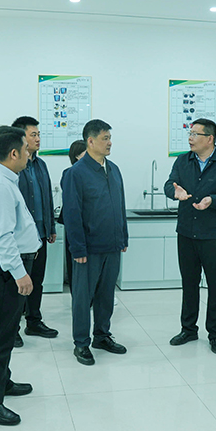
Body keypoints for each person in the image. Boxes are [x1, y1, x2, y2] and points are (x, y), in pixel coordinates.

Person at [0, 126, 39, 426]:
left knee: (5, 329)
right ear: (13, 153)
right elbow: (2, 237)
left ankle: (1, 381)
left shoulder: (2, 177)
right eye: (26, 149)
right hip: (3, 268)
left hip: (1, 265)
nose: (29, 153)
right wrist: (20, 273)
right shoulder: (0, 185)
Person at [163, 118, 216, 354]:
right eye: (190, 133)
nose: (190, 138)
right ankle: (188, 329)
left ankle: (215, 335)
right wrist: (174, 192)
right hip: (186, 233)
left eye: (195, 134)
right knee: (189, 284)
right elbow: (169, 185)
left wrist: (213, 200)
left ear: (210, 138)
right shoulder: (183, 160)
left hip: (213, 235)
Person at [61, 119, 128, 365]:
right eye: (104, 138)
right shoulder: (75, 173)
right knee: (82, 298)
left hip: (112, 246)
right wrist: (77, 248)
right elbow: (72, 213)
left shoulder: (114, 169)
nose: (109, 143)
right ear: (90, 141)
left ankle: (102, 335)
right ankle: (81, 342)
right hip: (88, 250)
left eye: (110, 138)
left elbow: (120, 205)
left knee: (106, 295)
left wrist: (123, 236)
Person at [11, 116, 58, 347]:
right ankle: (12, 328)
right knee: (18, 283)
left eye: (39, 134)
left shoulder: (41, 165)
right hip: (20, 238)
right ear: (21, 138)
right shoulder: (13, 166)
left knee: (37, 280)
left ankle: (34, 321)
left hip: (40, 235)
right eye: (33, 135)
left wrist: (51, 226)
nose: (38, 139)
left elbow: (47, 197)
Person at [59, 139, 87, 290]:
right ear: (77, 155)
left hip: (89, 226)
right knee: (75, 263)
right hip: (74, 225)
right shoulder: (69, 173)